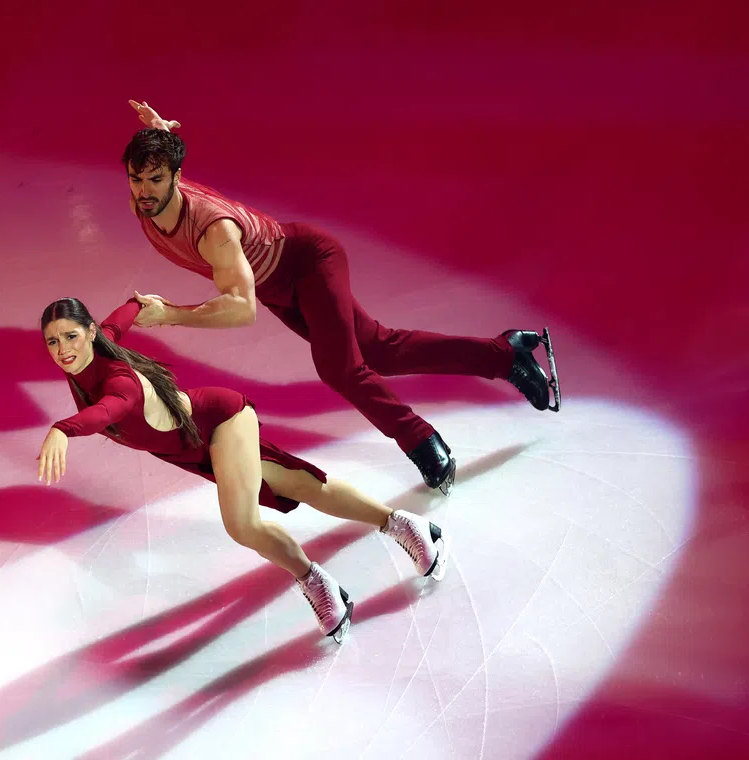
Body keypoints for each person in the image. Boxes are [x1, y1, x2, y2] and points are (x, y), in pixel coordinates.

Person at [118, 100, 562, 495]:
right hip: (280, 289)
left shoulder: (215, 231)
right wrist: (161, 136)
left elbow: (241, 307)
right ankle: (506, 354)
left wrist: (169, 314)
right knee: (380, 350)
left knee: (339, 367)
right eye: (137, 179)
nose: (144, 192)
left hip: (308, 262)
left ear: (176, 177)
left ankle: (422, 441)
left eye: (155, 179)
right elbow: (163, 176)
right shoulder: (149, 205)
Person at [37, 296, 450, 643]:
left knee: (242, 524)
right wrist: (139, 304)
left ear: (89, 332)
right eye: (52, 341)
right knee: (303, 485)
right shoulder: (95, 352)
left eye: (71, 336)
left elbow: (109, 411)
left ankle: (317, 583)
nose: (62, 350)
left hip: (220, 421)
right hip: (196, 448)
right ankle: (406, 525)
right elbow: (117, 323)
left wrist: (63, 429)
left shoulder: (116, 382)